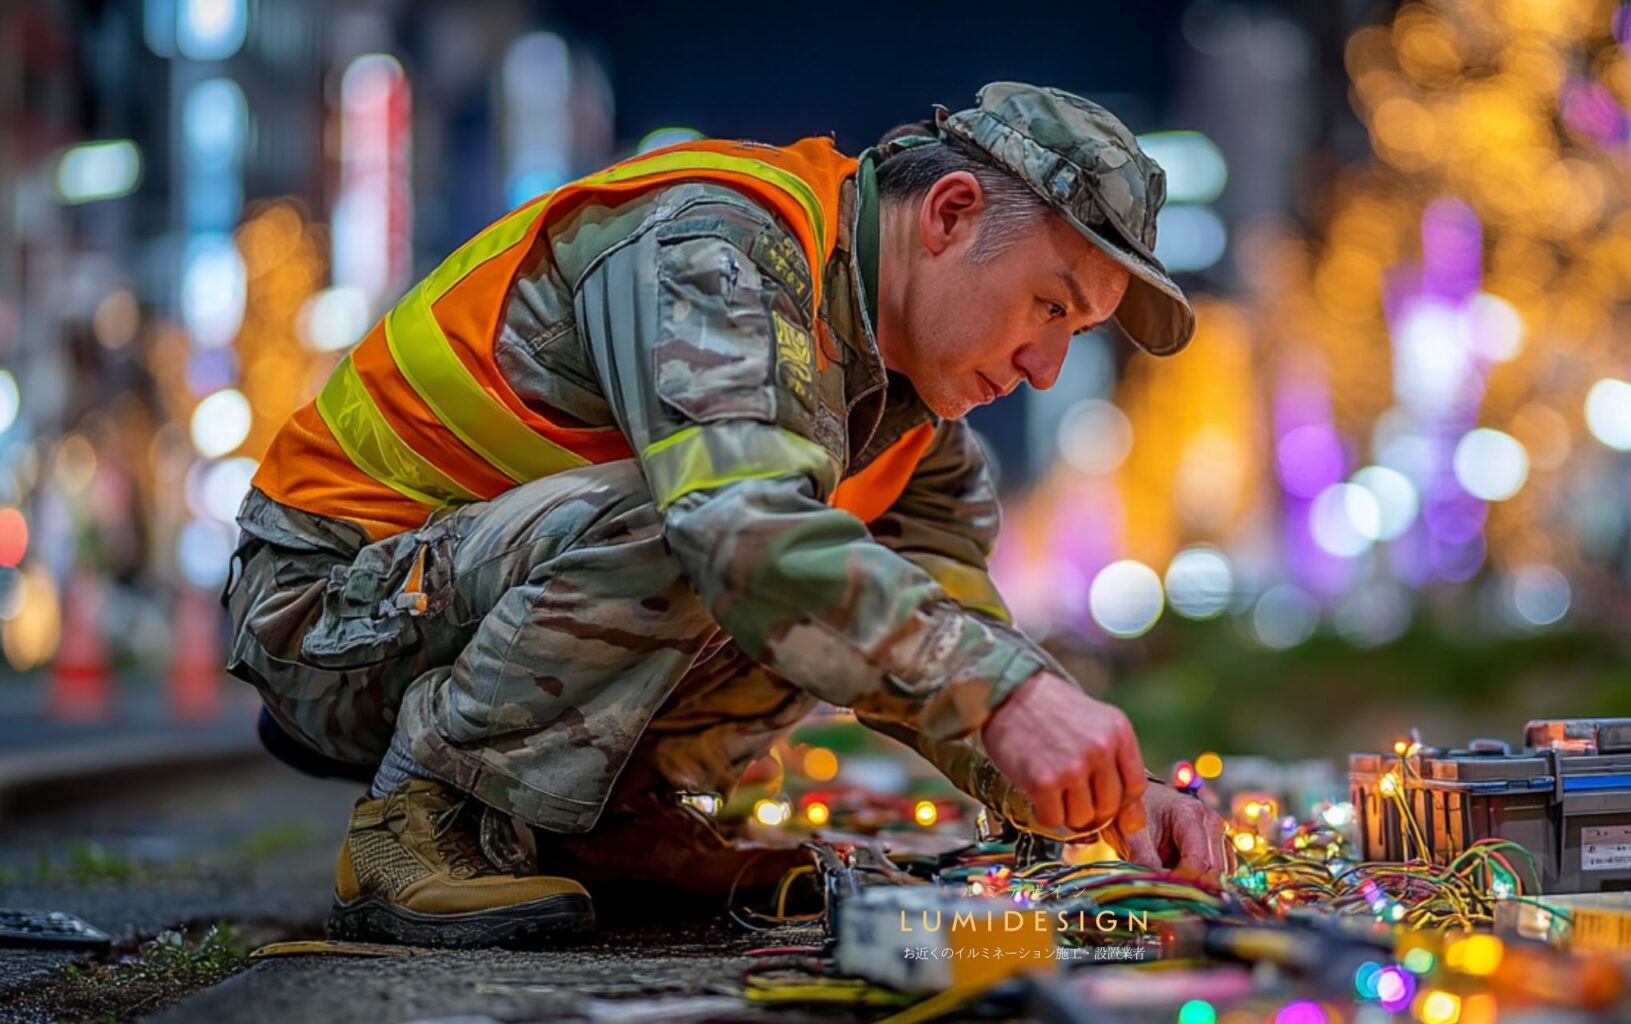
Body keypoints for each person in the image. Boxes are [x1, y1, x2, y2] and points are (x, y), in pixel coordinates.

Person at [224, 82, 1228, 948]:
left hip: (450, 599)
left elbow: (954, 626)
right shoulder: (717, 246)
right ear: (951, 213)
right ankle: (425, 819)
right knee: (730, 528)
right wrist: (1008, 698)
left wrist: (1104, 795)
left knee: (855, 599)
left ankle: (600, 827)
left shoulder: (918, 413)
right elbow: (736, 530)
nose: (1045, 368)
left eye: (1077, 332)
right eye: (1050, 305)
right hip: (330, 609)